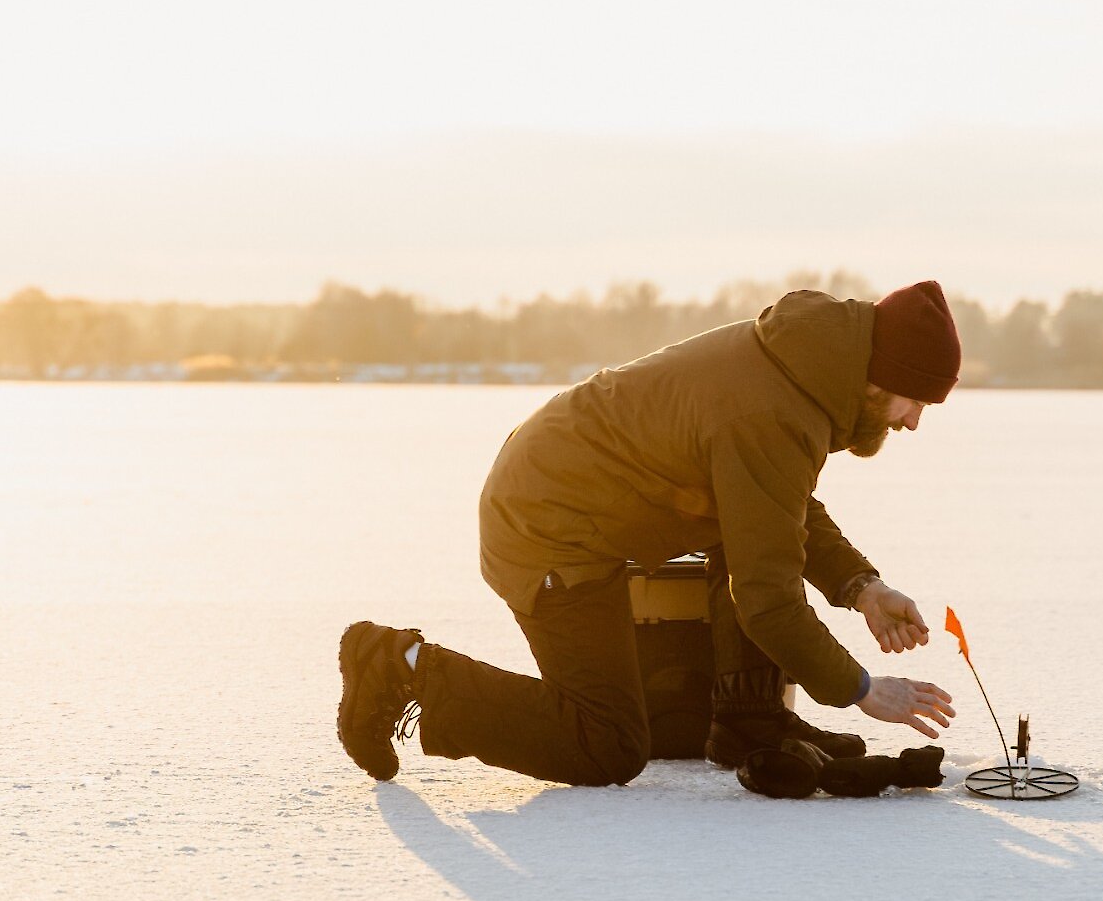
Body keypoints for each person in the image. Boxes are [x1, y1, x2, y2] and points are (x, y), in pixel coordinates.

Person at [337, 281, 962, 787]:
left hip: (575, 494)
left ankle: (750, 720)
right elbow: (768, 599)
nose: (912, 424)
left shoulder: (802, 370)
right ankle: (401, 666)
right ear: (881, 375)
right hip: (548, 526)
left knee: (744, 539)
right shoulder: (772, 412)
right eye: (917, 403)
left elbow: (774, 507)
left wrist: (861, 586)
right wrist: (861, 690)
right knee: (604, 745)